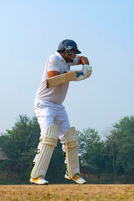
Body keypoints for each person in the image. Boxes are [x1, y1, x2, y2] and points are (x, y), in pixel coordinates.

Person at [30, 39, 92, 185]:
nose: (75, 55)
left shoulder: (69, 61)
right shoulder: (54, 59)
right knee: (48, 136)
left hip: (58, 105)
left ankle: (72, 173)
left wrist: (86, 66)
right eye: (74, 52)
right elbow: (54, 79)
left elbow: (83, 59)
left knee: (69, 138)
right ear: (68, 50)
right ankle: (36, 175)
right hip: (44, 104)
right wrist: (77, 75)